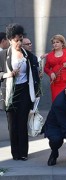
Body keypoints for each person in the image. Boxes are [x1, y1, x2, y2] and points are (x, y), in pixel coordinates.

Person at [0, 23, 40, 160]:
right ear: (10, 40)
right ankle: (15, 153)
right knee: (12, 125)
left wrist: (38, 77)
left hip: (24, 91)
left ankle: (23, 153)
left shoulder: (29, 56)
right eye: (16, 40)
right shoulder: (3, 55)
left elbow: (35, 75)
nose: (19, 42)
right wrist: (8, 75)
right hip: (10, 93)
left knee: (22, 123)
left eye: (21, 39)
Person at [44, 34, 66, 102]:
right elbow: (46, 68)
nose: (55, 44)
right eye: (53, 43)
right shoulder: (49, 55)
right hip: (55, 82)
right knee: (57, 101)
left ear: (62, 43)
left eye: (57, 42)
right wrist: (51, 73)